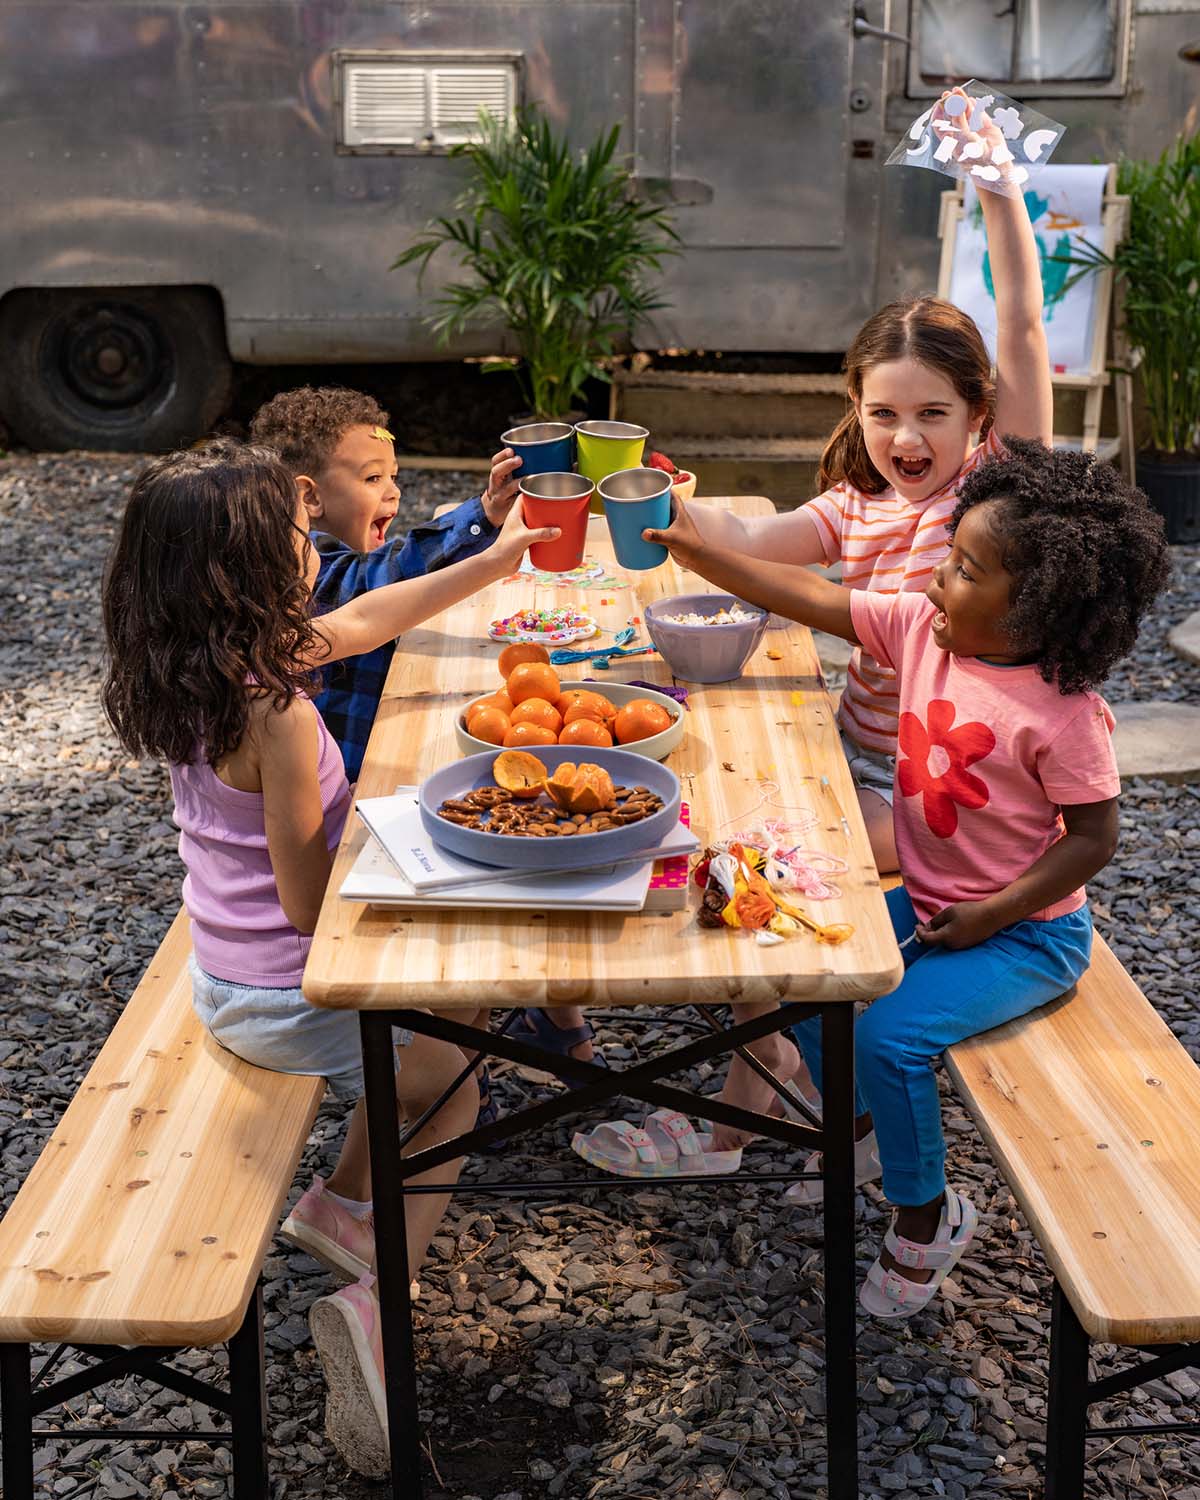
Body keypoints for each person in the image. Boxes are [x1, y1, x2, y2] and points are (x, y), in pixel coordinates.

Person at [100, 440, 556, 1474]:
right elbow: (313, 909)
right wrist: (419, 858)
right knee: (454, 1087)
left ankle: (342, 1201)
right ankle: (375, 1304)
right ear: (253, 573)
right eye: (300, 539)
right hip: (282, 991)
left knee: (461, 1017)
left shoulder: (198, 670)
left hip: (224, 969)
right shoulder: (280, 710)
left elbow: (362, 622)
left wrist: (496, 559)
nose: (317, 551)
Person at [644, 436, 1171, 1317]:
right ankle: (855, 1136)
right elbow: (816, 596)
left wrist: (993, 914)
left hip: (1028, 936)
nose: (936, 580)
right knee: (803, 978)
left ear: (1036, 606)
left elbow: (1092, 839)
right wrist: (697, 551)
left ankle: (926, 1216)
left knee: (891, 1038)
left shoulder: (1067, 716)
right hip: (932, 905)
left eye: (964, 569)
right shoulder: (926, 635)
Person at [662, 87, 1054, 1148]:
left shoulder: (999, 495)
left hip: (948, 801)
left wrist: (999, 187)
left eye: (933, 412)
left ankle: (757, 1096)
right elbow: (747, 543)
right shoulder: (854, 510)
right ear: (856, 410)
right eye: (883, 412)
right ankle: (770, 1073)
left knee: (744, 872)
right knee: (712, 828)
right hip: (858, 761)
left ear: (982, 415)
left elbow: (1019, 320)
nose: (905, 435)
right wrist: (661, 497)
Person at [250, 385, 603, 1077]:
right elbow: (372, 583)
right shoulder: (313, 571)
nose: (390, 495)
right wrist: (477, 526)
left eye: (396, 479)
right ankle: (464, 1067)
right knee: (508, 842)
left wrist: (484, 520)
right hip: (343, 806)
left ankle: (554, 1019)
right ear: (309, 497)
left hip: (366, 774)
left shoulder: (315, 557)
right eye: (373, 479)